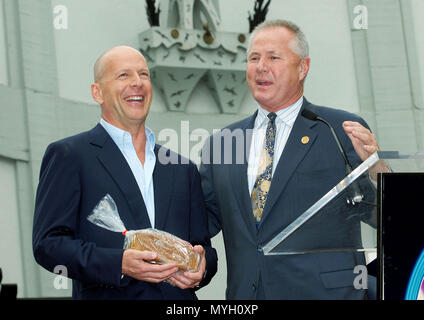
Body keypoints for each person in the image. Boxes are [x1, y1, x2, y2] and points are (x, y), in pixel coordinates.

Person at [199, 20, 386, 299]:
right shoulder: (223, 142)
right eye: (253, 58)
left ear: (303, 67)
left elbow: (380, 214)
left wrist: (377, 168)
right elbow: (202, 221)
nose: (261, 66)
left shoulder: (339, 129)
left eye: (274, 57)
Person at [32, 45, 217, 299]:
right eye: (123, 75)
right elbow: (48, 245)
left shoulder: (183, 168)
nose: (137, 83)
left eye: (144, 75)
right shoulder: (70, 155)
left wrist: (203, 267)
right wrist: (118, 263)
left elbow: (203, 246)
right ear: (98, 92)